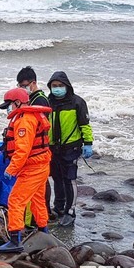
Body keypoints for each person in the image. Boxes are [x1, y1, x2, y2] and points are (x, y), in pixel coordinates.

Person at [0, 88, 52, 253]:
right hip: (41, 164)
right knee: (37, 199)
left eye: (9, 105)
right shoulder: (30, 117)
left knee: (15, 200)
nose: (8, 108)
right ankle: (43, 231)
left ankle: (15, 240)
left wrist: (11, 169)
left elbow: (22, 151)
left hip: (32, 167)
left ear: (18, 103)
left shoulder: (24, 121)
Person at [46, 71, 94, 227]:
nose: (57, 88)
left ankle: (70, 211)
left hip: (71, 147)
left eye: (60, 86)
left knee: (69, 179)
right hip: (53, 147)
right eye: (54, 86)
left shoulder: (77, 102)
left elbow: (85, 125)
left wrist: (88, 143)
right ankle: (59, 207)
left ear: (67, 86)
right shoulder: (48, 102)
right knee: (57, 178)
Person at [16, 66, 54, 223]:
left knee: (37, 187)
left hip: (38, 151)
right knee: (40, 186)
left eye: (24, 85)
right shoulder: (33, 98)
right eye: (19, 85)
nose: (22, 88)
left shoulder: (39, 100)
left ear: (33, 83)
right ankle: (42, 219)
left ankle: (34, 220)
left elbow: (35, 128)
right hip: (39, 151)